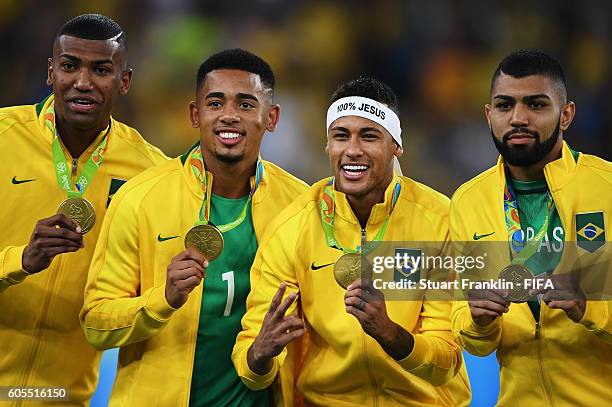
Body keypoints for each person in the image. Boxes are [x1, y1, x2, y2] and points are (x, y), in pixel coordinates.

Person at [80, 49, 308, 406]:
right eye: (215, 103)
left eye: (246, 105)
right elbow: (96, 324)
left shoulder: (300, 207)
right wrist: (163, 300)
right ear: (194, 114)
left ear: (272, 117)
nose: (229, 116)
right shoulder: (140, 198)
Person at [232, 77, 471, 406]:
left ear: (396, 146)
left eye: (369, 136)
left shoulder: (441, 222)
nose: (352, 150)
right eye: (340, 136)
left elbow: (446, 362)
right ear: (328, 146)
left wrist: (387, 331)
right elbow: (250, 362)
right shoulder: (292, 227)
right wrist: (259, 356)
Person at [0, 14, 167, 405]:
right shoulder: (3, 138)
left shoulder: (151, 173)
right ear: (50, 72)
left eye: (101, 69)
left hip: (62, 396)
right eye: (70, 65)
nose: (83, 82)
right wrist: (19, 261)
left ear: (124, 81)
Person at [450, 49, 612, 405]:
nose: (518, 118)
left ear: (566, 115)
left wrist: (590, 307)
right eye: (505, 106)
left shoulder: (606, 188)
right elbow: (472, 338)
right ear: (489, 115)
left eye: (536, 105)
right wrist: (478, 321)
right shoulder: (468, 201)